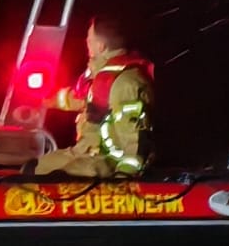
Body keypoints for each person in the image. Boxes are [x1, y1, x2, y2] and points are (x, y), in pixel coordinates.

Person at [34, 16, 154, 178]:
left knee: (63, 178)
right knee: (35, 168)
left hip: (109, 160)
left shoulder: (126, 83)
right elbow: (82, 99)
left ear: (100, 46)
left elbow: (135, 142)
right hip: (86, 151)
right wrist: (46, 100)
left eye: (89, 40)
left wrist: (124, 177)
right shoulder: (101, 76)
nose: (86, 43)